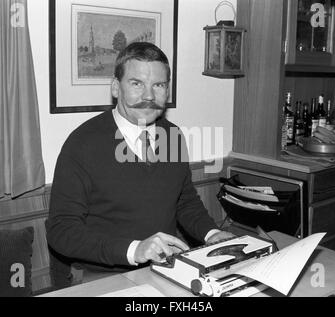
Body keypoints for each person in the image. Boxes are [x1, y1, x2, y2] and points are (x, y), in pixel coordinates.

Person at [46, 42, 234, 287]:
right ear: (116, 87)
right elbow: (61, 231)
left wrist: (212, 234)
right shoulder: (82, 144)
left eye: (158, 85)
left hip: (166, 268)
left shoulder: (172, 135)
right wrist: (135, 250)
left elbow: (184, 201)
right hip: (104, 275)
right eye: (137, 84)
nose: (148, 96)